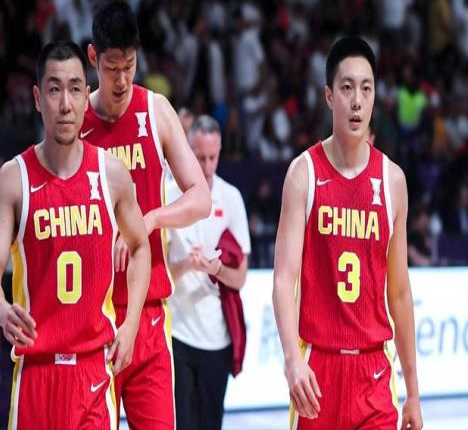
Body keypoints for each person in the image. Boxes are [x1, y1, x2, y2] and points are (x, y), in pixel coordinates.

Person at [0, 41, 151, 429]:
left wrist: (132, 323)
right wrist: (1, 310)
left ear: (87, 97)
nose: (66, 104)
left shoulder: (112, 174)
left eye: (74, 89)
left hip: (93, 373)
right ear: (38, 98)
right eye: (55, 89)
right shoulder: (13, 179)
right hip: (36, 372)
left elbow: (141, 246)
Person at [272, 36, 423, 430]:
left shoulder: (392, 181)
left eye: (366, 89)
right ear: (329, 96)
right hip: (317, 370)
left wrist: (413, 392)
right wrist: (292, 359)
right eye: (347, 88)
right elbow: (283, 278)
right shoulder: (302, 174)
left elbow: (399, 292)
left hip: (374, 373)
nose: (357, 100)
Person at [81, 1, 211, 429]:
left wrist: (150, 219)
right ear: (93, 57)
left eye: (129, 67)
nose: (121, 80)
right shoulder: (75, 120)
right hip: (93, 315)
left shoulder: (156, 110)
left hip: (150, 314)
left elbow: (200, 197)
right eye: (111, 68)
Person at [166, 115, 251, 430]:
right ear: (187, 151)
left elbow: (240, 278)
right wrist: (186, 265)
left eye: (212, 157)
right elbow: (155, 274)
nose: (207, 166)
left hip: (218, 338)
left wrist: (215, 268)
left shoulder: (231, 198)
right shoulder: (167, 195)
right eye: (200, 157)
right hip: (177, 335)